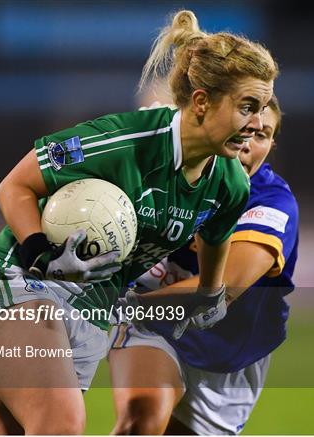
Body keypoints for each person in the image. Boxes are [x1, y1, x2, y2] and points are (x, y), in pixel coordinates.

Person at [0, 10, 278, 435]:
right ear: (202, 102)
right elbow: (14, 187)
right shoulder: (125, 141)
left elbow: (217, 233)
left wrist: (209, 295)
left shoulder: (229, 183)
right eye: (247, 107)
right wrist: (41, 255)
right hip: (25, 282)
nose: (257, 124)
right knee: (60, 425)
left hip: (93, 308)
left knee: (5, 427)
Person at [109, 95, 299, 435]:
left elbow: (222, 290)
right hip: (156, 323)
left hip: (228, 357)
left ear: (272, 143)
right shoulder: (165, 172)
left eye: (262, 134)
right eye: (242, 129)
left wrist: (119, 306)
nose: (246, 144)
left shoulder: (271, 203)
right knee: (141, 418)